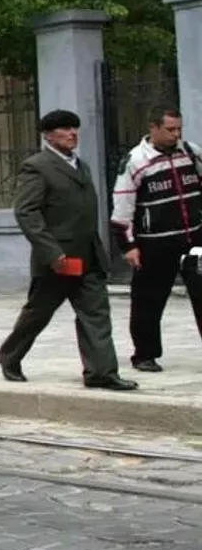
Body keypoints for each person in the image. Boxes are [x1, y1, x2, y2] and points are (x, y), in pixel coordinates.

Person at [0, 110, 140, 391]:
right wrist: (51, 252)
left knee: (96, 313)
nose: (73, 133)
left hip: (87, 256)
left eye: (75, 128)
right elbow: (27, 213)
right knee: (38, 312)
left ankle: (101, 372)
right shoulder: (37, 166)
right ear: (48, 135)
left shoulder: (81, 166)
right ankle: (9, 356)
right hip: (58, 260)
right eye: (65, 129)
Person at [109, 107, 202, 372]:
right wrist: (128, 246)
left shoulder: (190, 152)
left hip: (194, 238)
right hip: (155, 242)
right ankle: (145, 354)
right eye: (170, 129)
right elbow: (123, 207)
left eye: (179, 129)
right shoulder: (135, 161)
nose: (176, 135)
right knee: (148, 299)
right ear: (153, 128)